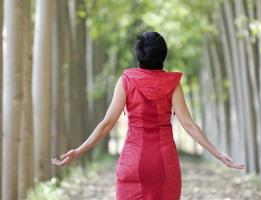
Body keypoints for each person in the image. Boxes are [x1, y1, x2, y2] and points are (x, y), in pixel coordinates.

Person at [52, 31, 245, 199]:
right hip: (164, 163)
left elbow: (107, 124)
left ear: (138, 55)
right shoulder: (173, 85)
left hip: (132, 162)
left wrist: (78, 151)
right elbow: (189, 125)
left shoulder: (126, 81)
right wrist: (219, 155)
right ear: (163, 55)